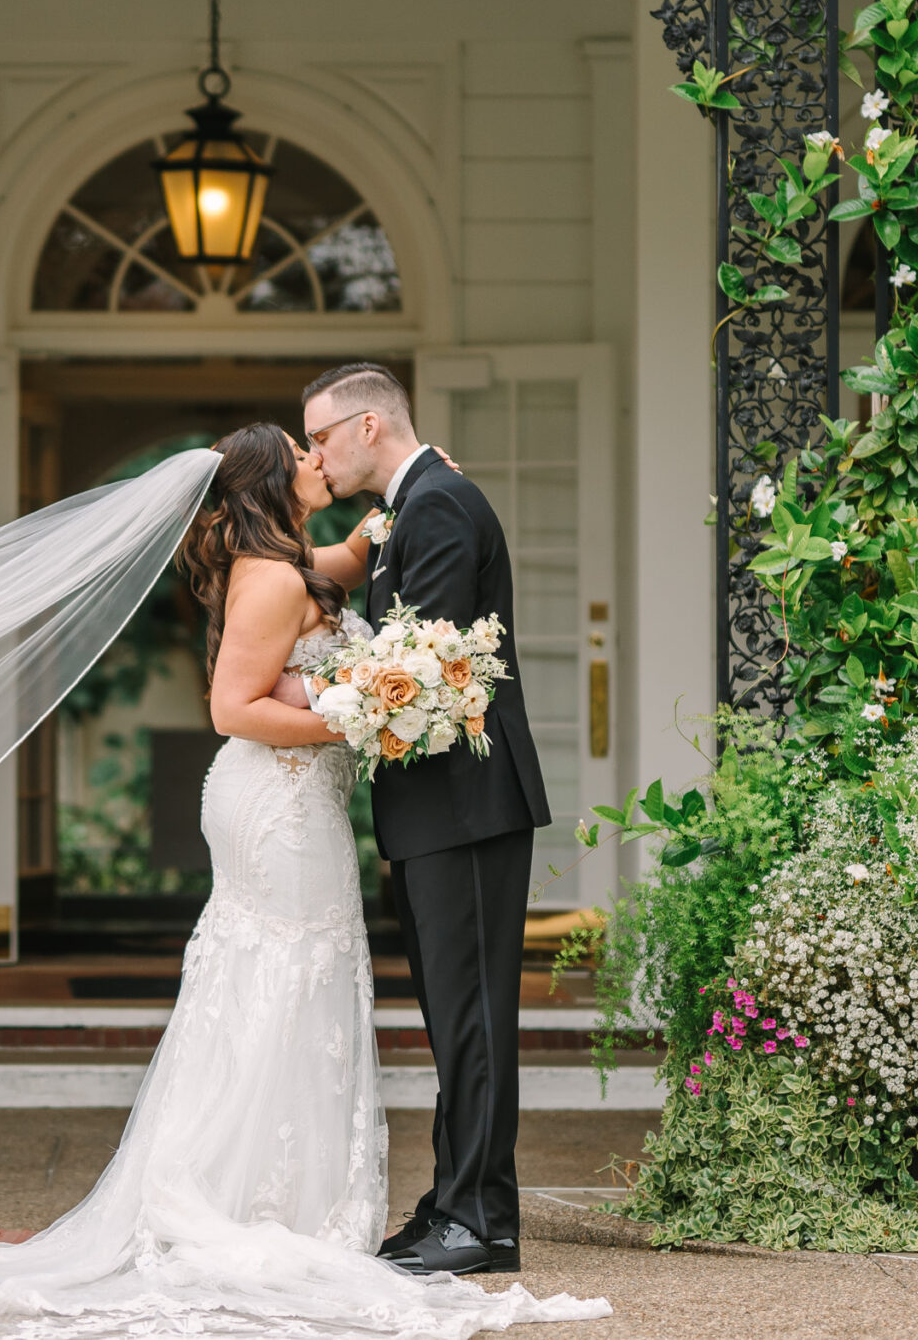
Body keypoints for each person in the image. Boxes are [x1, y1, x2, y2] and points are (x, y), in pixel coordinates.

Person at [0, 424, 607, 1339]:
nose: (315, 459)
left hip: (302, 802)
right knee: (281, 976)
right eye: (301, 452)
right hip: (279, 805)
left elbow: (354, 554)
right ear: (272, 481)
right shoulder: (267, 575)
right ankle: (242, 1201)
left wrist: (407, 502)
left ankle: (279, 1192)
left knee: (290, 980)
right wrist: (354, 718)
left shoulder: (292, 558)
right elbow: (232, 708)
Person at [299, 362, 552, 1279]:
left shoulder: (440, 503)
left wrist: (309, 693)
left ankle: (479, 1217)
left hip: (467, 808)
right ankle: (459, 1201)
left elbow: (425, 656)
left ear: (369, 426)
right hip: (437, 810)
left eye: (321, 435)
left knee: (475, 1015)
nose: (317, 453)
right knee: (455, 1017)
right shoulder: (417, 504)